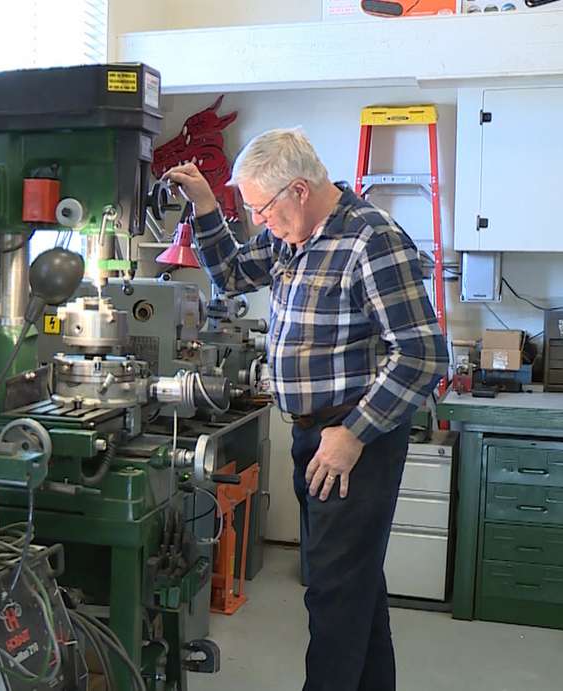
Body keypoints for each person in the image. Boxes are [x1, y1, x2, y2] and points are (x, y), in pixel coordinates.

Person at [164, 128, 448, 691]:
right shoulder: (292, 236)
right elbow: (230, 277)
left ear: (298, 189)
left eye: (262, 210)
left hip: (353, 441)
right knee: (353, 586)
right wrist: (204, 208)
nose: (260, 222)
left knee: (333, 594)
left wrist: (352, 435)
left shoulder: (372, 240)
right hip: (313, 436)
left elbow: (422, 354)